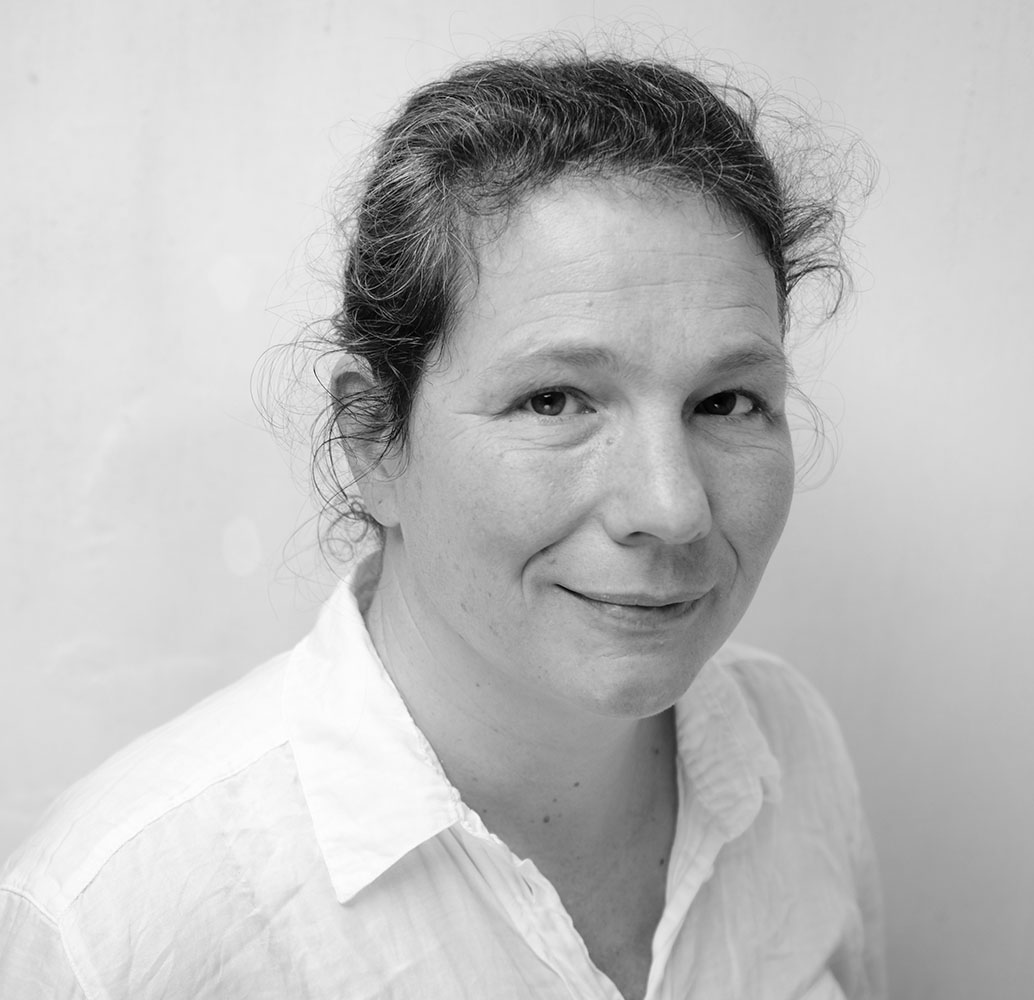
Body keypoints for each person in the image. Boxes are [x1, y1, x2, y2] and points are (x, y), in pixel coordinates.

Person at [0, 50, 884, 999]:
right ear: (373, 439)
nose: (673, 509)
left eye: (728, 402)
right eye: (555, 400)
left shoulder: (786, 742)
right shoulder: (116, 930)